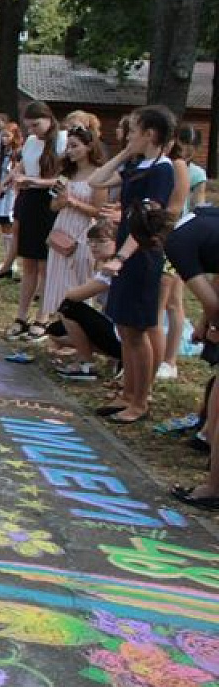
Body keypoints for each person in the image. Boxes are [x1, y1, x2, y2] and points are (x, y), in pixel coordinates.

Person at [87, 104, 177, 425]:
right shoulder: (138, 164)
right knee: (124, 328)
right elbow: (97, 181)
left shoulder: (162, 170)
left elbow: (147, 222)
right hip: (127, 253)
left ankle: (140, 399)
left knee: (137, 331)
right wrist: (125, 153)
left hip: (141, 256)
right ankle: (127, 392)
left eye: (134, 130)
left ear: (150, 134)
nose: (129, 135)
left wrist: (121, 257)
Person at [164, 193, 219, 509]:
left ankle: (214, 487)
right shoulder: (202, 216)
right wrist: (202, 324)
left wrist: (213, 325)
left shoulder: (177, 246)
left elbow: (212, 300)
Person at [4, 101, 67, 341]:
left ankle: (43, 317)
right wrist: (11, 178)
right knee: (29, 261)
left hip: (48, 203)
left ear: (49, 119)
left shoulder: (62, 140)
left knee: (45, 265)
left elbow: (63, 178)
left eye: (36, 125)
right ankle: (21, 316)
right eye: (29, 126)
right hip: (29, 200)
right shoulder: (31, 141)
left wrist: (34, 181)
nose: (33, 130)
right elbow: (22, 164)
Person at [41, 124, 106, 323]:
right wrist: (60, 202)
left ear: (88, 147)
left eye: (75, 146)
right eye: (68, 146)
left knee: (80, 275)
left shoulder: (99, 175)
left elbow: (99, 209)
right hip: (63, 227)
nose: (70, 151)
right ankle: (59, 323)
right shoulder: (65, 174)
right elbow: (53, 205)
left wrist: (73, 202)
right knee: (57, 277)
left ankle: (81, 323)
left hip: (84, 229)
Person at [158, 124, 206, 381]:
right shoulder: (164, 165)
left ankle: (170, 360)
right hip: (159, 234)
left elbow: (197, 206)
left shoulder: (196, 173)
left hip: (179, 237)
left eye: (190, 145)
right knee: (158, 301)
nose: (185, 148)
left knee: (174, 301)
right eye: (181, 141)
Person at [52, 219, 122, 381]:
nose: (94, 246)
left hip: (124, 334)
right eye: (91, 242)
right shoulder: (103, 266)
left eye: (102, 241)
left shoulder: (111, 270)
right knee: (56, 331)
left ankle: (86, 363)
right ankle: (113, 357)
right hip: (114, 327)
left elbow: (73, 296)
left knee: (68, 307)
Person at [0, 119, 21, 278]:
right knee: (3, 228)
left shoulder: (17, 155)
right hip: (1, 193)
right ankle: (6, 259)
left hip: (10, 195)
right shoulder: (3, 154)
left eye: (7, 136)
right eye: (2, 136)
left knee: (10, 227)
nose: (4, 139)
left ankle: (12, 262)